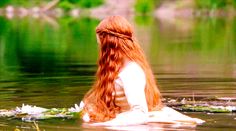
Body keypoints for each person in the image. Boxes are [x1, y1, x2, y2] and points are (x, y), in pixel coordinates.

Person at [81, 15, 204, 126]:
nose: (100, 50)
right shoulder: (118, 69)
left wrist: (101, 125)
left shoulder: (131, 72)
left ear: (109, 43)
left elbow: (140, 114)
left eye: (101, 45)